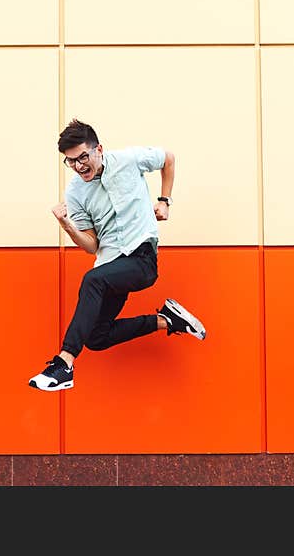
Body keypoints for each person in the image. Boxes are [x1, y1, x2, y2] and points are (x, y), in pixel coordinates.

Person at [29, 118, 206, 391]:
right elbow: (91, 246)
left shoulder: (128, 160)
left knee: (92, 280)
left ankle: (64, 363)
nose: (79, 166)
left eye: (83, 157)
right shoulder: (75, 193)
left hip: (142, 260)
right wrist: (68, 227)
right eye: (71, 161)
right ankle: (167, 320)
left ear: (98, 149)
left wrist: (164, 201)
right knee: (97, 337)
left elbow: (168, 159)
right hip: (112, 265)